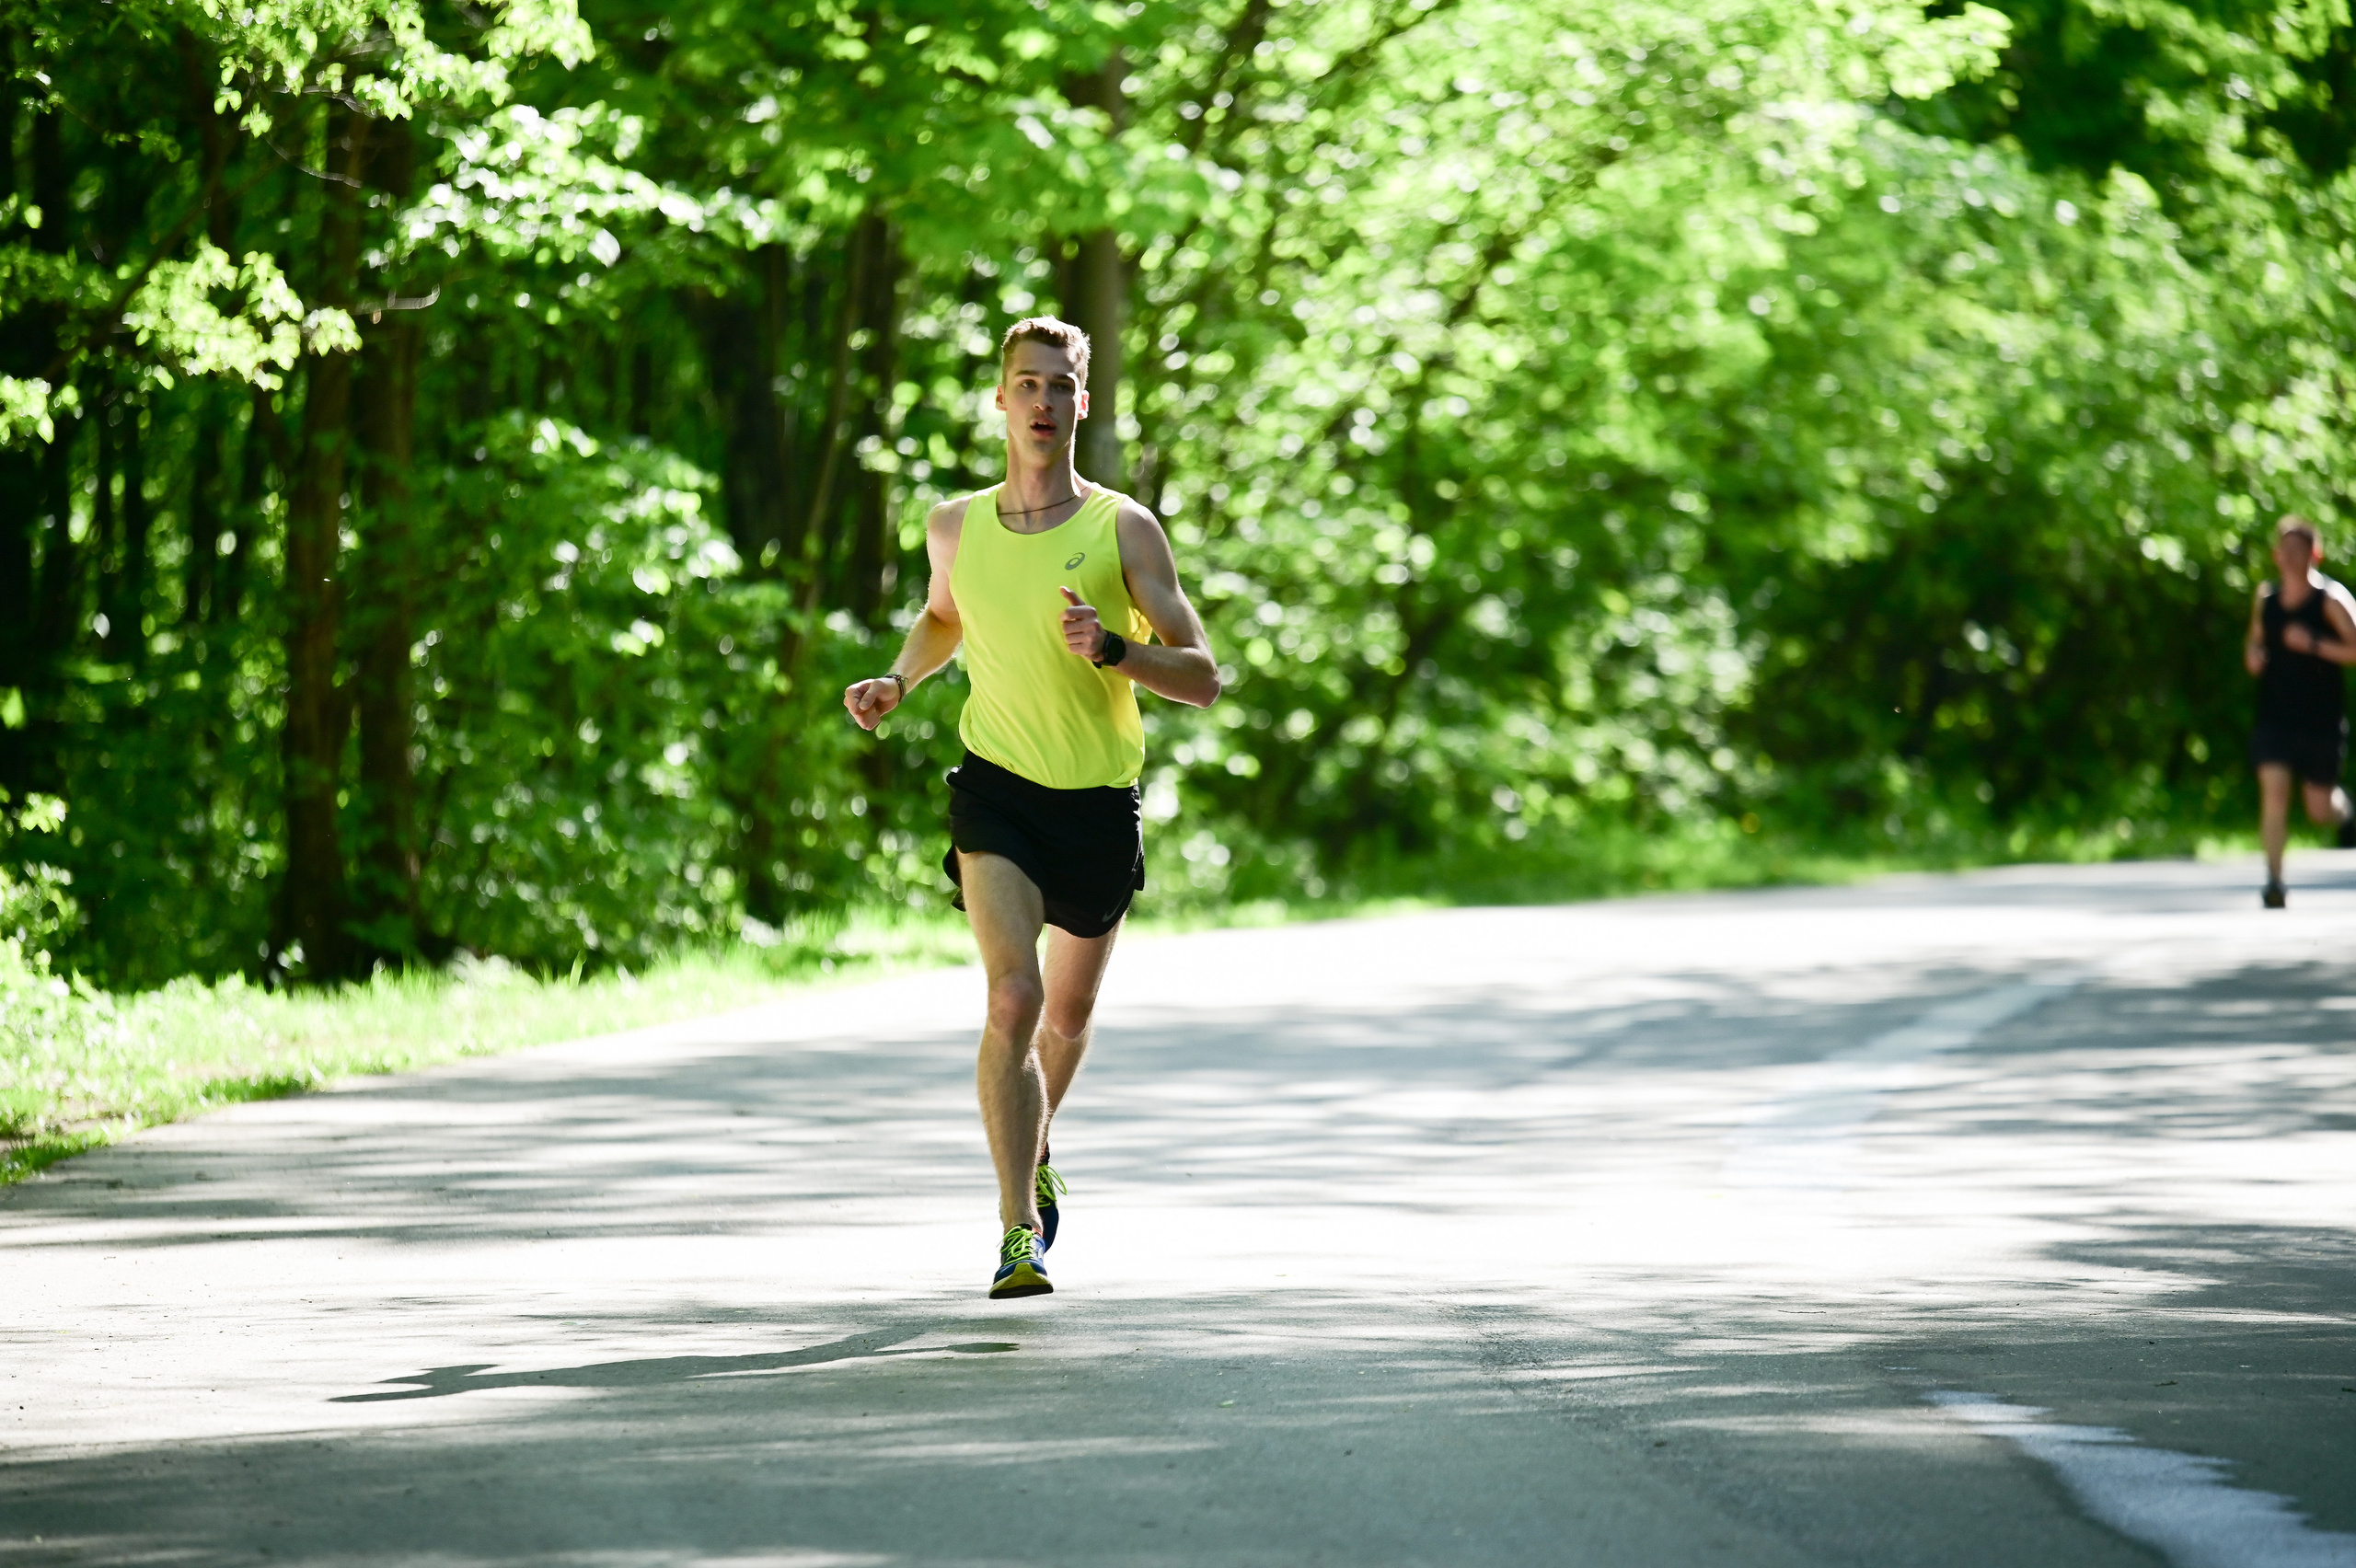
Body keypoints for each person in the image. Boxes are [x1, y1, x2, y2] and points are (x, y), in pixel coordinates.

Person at [843, 317, 1221, 1298]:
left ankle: (1038, 1137)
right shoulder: (955, 526)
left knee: (1066, 1012)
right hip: (997, 788)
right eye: (1026, 384)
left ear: (1081, 403)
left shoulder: (1122, 529)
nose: (1043, 401)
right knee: (1013, 998)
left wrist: (1116, 650)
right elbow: (943, 615)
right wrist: (899, 679)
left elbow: (1203, 676)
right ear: (1001, 400)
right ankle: (1020, 1233)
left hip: (1096, 801)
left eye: (1060, 385)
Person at [2244, 514, 2356, 907]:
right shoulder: (2266, 599)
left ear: (2315, 554)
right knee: (2274, 793)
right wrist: (2254, 657)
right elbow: (2255, 642)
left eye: (2299, 550)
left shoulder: (2332, 600)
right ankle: (2275, 882)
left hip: (2321, 721)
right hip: (2275, 716)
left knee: (2318, 809)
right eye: (2285, 550)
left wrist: (2313, 644)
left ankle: (2346, 812)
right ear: (2276, 555)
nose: (2290, 557)